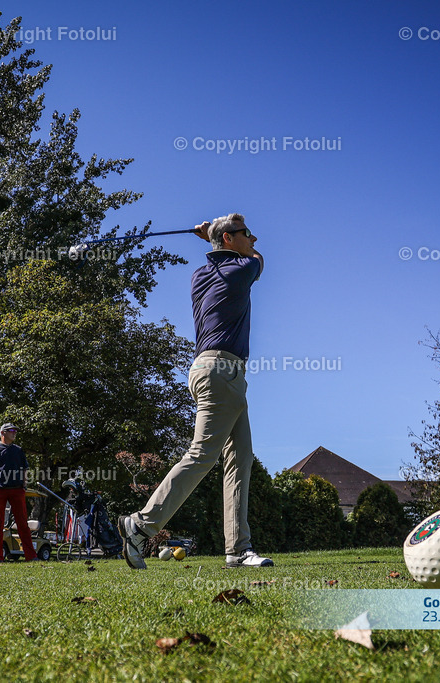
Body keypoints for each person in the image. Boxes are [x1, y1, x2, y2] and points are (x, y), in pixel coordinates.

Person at [118, 213, 274, 569]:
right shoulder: (241, 269)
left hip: (210, 370)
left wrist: (215, 239)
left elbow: (229, 251)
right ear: (232, 241)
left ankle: (238, 550)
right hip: (222, 372)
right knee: (202, 454)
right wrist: (216, 238)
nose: (254, 238)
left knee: (240, 458)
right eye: (246, 233)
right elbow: (258, 260)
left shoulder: (200, 275)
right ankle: (141, 525)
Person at [0, 423, 38, 562]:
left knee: (23, 524)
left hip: (17, 490)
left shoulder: (18, 450)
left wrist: (24, 485)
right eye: (11, 430)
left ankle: (31, 556)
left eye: (15, 431)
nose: (14, 433)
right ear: (3, 433)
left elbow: (25, 468)